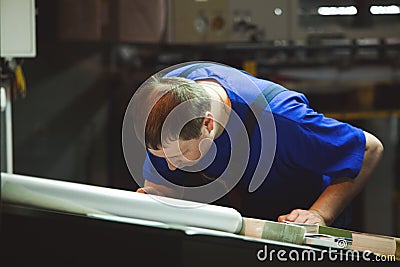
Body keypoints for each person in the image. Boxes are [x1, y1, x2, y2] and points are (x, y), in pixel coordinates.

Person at [132, 62, 383, 227]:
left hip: (297, 232)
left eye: (181, 156)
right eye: (160, 156)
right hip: (232, 231)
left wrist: (320, 214)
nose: (171, 168)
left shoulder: (283, 120)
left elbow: (370, 149)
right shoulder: (163, 100)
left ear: (208, 124)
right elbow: (167, 179)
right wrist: (158, 194)